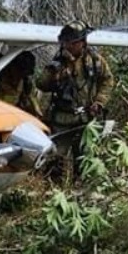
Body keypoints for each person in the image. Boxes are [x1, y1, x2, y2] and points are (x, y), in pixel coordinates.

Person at [35, 20, 115, 181]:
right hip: (61, 120)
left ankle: (81, 192)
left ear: (82, 42)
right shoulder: (57, 63)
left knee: (85, 160)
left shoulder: (95, 61)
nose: (68, 46)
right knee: (55, 160)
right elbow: (41, 84)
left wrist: (99, 102)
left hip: (86, 120)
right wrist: (56, 73)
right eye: (65, 43)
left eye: (72, 43)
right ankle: (53, 194)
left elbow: (107, 80)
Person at [0, 50, 42, 118]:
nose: (19, 75)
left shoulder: (25, 85)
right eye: (20, 70)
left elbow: (28, 106)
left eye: (24, 73)